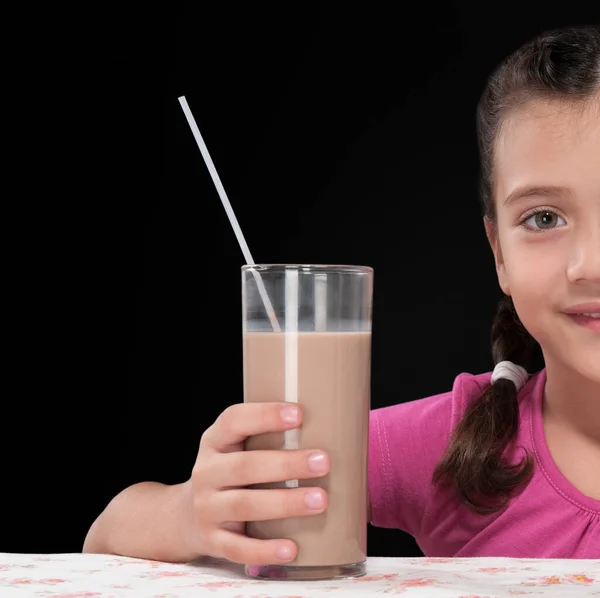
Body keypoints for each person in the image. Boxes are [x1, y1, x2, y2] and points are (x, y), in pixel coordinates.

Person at [83, 24, 600, 561]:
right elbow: (107, 535)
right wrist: (194, 512)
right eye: (544, 217)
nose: (591, 265)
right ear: (499, 254)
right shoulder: (460, 445)